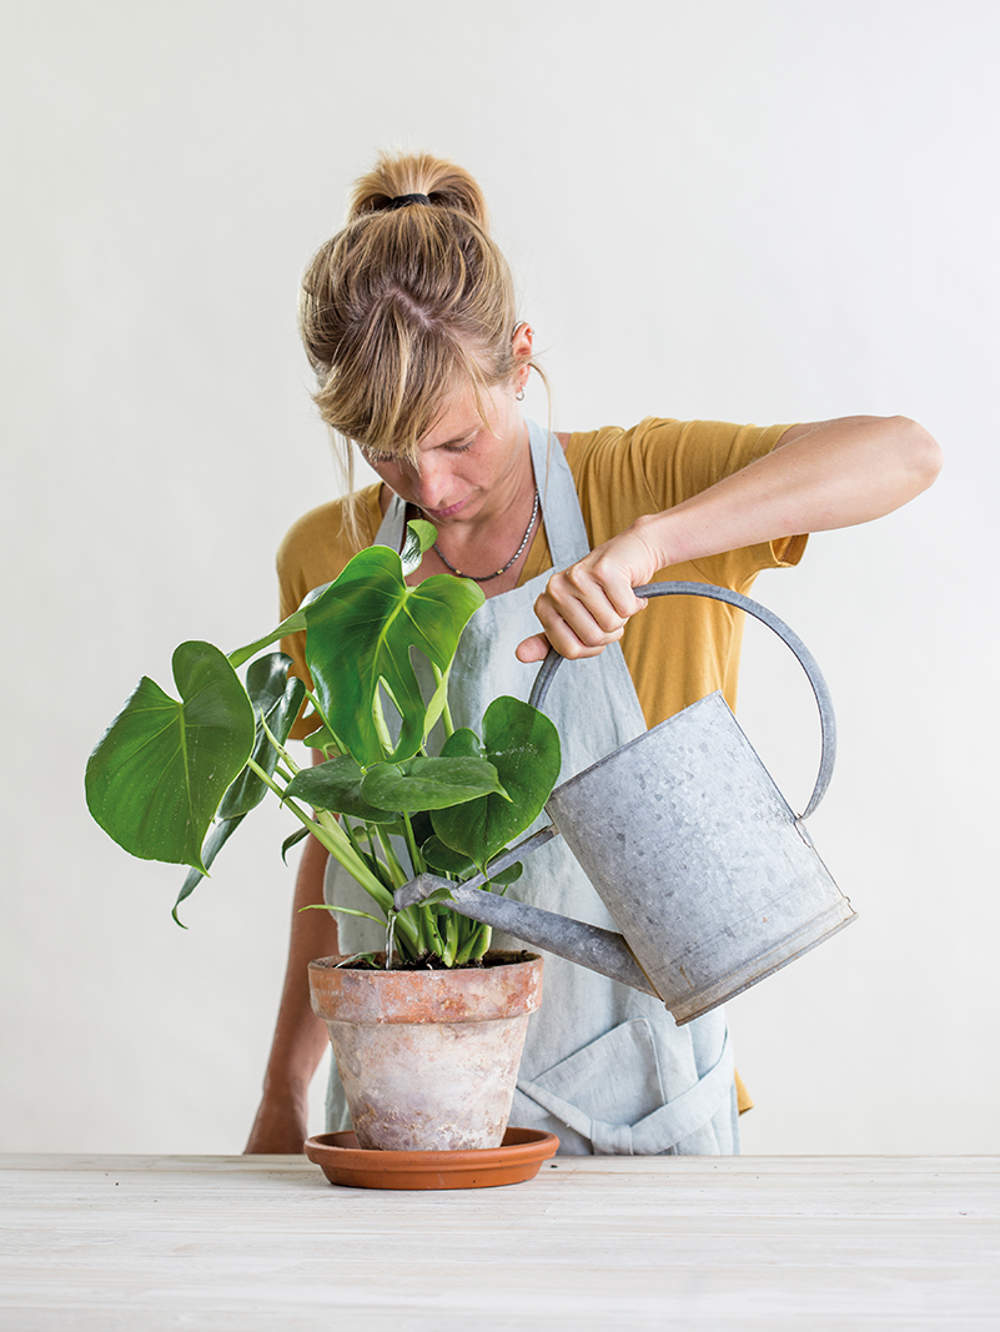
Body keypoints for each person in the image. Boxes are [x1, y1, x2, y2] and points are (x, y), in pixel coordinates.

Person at [245, 150, 941, 1156]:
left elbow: (904, 450)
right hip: (406, 1128)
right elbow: (342, 839)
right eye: (386, 451)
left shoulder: (634, 479)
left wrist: (653, 543)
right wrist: (282, 1089)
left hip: (641, 1122)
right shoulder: (331, 562)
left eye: (456, 440)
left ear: (519, 361)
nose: (429, 488)